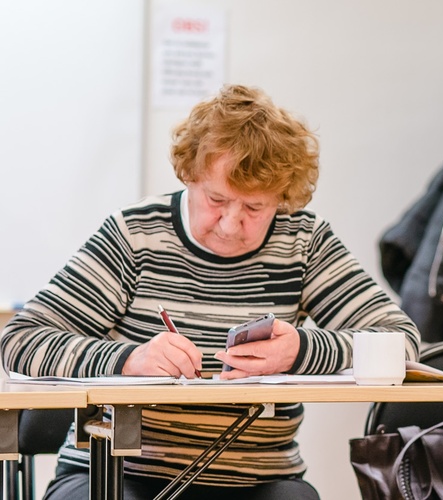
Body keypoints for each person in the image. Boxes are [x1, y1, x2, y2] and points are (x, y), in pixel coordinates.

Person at [0, 85, 420, 500]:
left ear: (284, 199)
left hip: (257, 482)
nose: (230, 224)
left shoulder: (304, 242)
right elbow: (20, 341)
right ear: (189, 175)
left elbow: (400, 341)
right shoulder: (135, 235)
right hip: (117, 473)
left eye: (255, 208)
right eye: (216, 199)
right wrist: (130, 360)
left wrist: (302, 351)